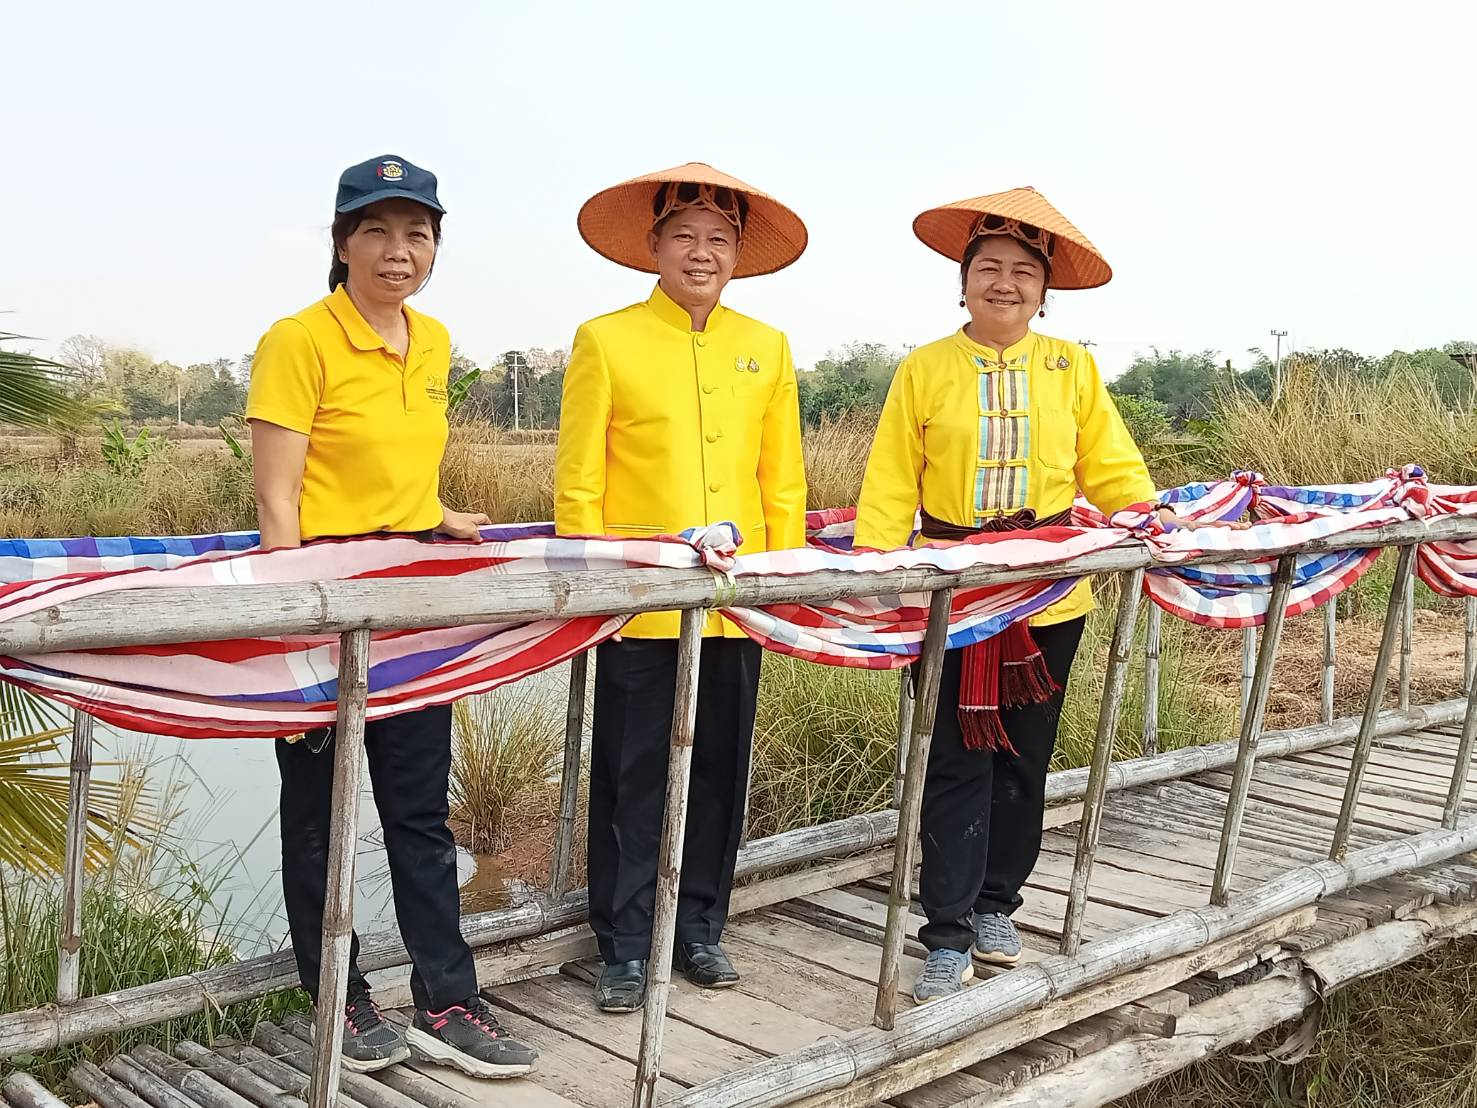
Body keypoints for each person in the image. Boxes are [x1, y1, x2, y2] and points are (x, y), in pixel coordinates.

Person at [855, 187, 1206, 1003]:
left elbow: (1110, 465)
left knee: (1022, 760)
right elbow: (887, 482)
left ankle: (994, 906)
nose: (1003, 282)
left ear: (1044, 291)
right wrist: (878, 572)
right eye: (987, 268)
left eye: (1021, 271)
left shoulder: (1070, 365)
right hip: (952, 590)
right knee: (951, 761)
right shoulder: (924, 367)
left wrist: (1144, 516)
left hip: (1048, 592)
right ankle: (942, 931)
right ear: (962, 281)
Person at [246, 154, 538, 1077]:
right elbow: (277, 500)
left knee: (419, 813)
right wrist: (300, 622)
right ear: (341, 243)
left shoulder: (435, 339)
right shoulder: (299, 340)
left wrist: (438, 510)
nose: (397, 251)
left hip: (412, 597)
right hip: (324, 600)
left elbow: (398, 457)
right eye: (376, 230)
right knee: (319, 817)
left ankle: (450, 998)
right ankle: (337, 994)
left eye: (417, 233)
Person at [555, 163, 808, 1012]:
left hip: (734, 606)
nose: (702, 252)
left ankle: (700, 925)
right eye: (685, 236)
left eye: (719, 239)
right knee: (633, 776)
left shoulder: (765, 347)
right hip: (641, 604)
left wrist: (782, 579)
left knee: (718, 771)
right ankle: (623, 944)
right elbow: (579, 484)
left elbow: (783, 482)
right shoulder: (606, 339)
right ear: (653, 246)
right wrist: (598, 588)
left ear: (737, 254)